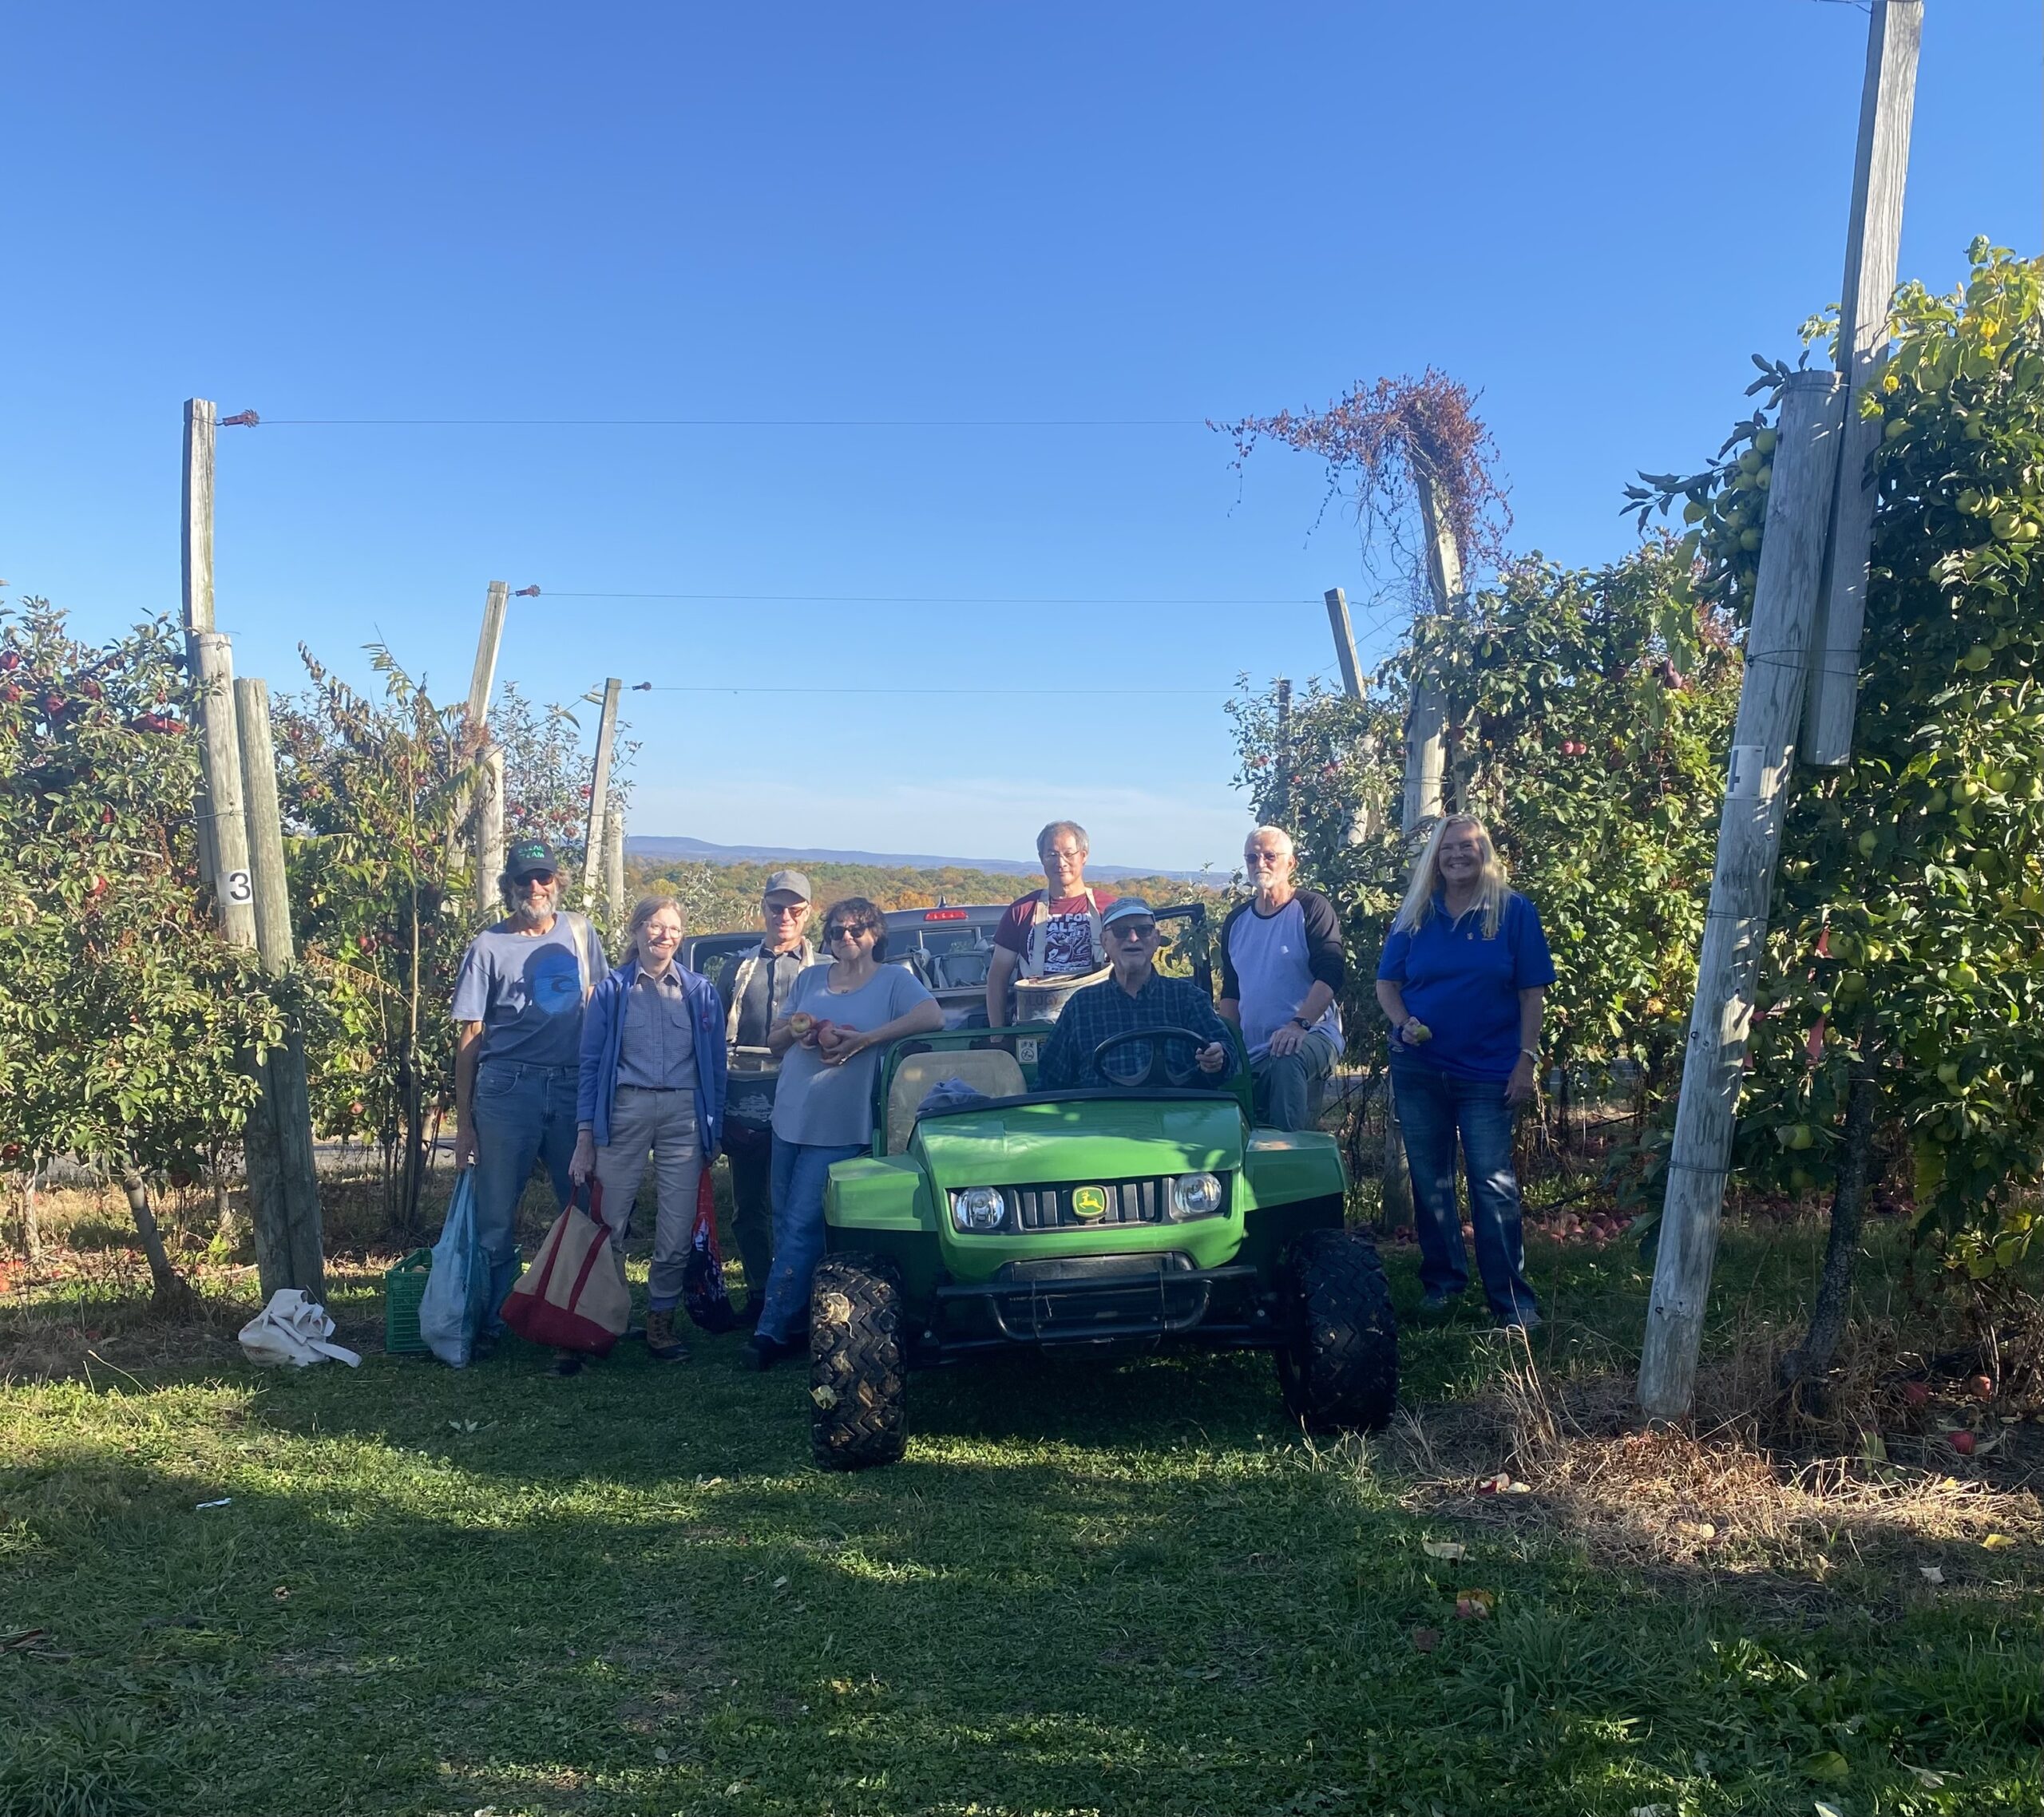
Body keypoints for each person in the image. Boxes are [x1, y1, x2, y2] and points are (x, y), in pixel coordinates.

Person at [1375, 813, 1555, 1329]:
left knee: (1491, 1182)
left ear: (1484, 852)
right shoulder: (1415, 913)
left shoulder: (1513, 911)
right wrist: (1404, 1023)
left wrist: (1527, 1060)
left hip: (1488, 1072)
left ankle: (1513, 1301)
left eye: (1467, 846)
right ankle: (1443, 1286)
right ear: (1436, 856)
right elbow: (1388, 984)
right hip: (1420, 1068)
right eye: (1447, 847)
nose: (1456, 855)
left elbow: (1530, 993)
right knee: (1431, 1182)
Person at [749, 897, 944, 1369]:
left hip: (842, 1124)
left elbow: (932, 1017)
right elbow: (775, 1041)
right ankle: (799, 1320)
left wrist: (866, 1040)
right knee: (783, 1222)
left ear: (876, 934)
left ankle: (769, 1330)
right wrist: (801, 1032)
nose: (846, 938)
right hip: (792, 1114)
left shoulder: (894, 981)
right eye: (837, 931)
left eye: (857, 929)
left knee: (802, 1226)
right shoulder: (810, 978)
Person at [450, 838, 608, 1356]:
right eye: (524, 880)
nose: (535, 888)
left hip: (571, 1088)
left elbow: (604, 1009)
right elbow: (470, 1037)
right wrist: (466, 1126)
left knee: (582, 1207)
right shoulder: (488, 947)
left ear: (557, 882)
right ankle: (496, 1324)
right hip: (507, 1090)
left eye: (543, 878)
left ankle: (576, 1316)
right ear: (509, 888)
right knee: (495, 1217)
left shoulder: (581, 935)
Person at [572, 897, 729, 1371]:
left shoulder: (700, 992)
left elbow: (716, 1069)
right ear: (637, 930)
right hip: (624, 1110)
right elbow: (591, 1065)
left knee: (677, 1228)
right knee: (609, 1221)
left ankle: (661, 1319)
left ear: (682, 937)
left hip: (683, 1111)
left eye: (674, 929)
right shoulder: (611, 991)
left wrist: (713, 1127)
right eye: (655, 926)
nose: (664, 936)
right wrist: (584, 1137)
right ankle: (609, 1315)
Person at [714, 869, 816, 1322]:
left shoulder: (826, 970)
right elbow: (714, 1042)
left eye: (795, 909)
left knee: (801, 1205)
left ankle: (802, 1297)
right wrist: (720, 1112)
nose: (785, 917)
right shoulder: (737, 969)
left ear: (808, 914)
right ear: (764, 909)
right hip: (746, 1103)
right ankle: (759, 1293)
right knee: (748, 1205)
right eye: (777, 907)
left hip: (806, 1103)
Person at [1218, 826, 1346, 1132]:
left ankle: (1286, 1160)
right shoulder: (1236, 921)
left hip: (1312, 1033)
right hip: (1254, 1046)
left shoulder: (1312, 908)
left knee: (1288, 1057)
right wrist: (1226, 1044)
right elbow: (1231, 992)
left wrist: (1298, 1024)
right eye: (1252, 857)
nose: (1259, 863)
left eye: (1270, 856)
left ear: (1291, 863)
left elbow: (1331, 973)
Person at [1036, 898, 1235, 1091]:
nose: (1133, 938)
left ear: (1156, 939)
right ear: (1104, 942)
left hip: (1179, 1114)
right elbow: (1051, 1079)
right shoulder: (1080, 1006)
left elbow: (1227, 1055)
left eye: (1143, 930)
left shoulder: (1188, 998)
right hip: (1101, 1117)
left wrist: (1217, 1058)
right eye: (1121, 931)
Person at [984, 821, 1116, 1027]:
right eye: (1052, 855)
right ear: (1041, 859)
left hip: (1098, 1025)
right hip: (1036, 1028)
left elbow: (1133, 967)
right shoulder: (1021, 911)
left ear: (1084, 856)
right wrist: (997, 1034)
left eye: (1069, 854)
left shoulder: (1108, 909)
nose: (1061, 862)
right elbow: (998, 976)